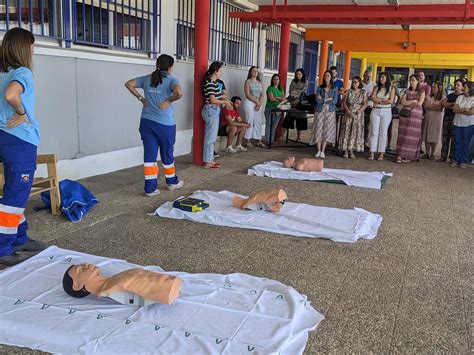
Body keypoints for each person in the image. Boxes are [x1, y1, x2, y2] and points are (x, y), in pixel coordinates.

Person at [0, 28, 47, 267]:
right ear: (23, 47)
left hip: (4, 138)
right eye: (32, 45)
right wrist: (21, 111)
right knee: (15, 194)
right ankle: (3, 247)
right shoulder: (22, 72)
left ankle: (20, 237)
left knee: (13, 191)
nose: (33, 49)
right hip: (19, 139)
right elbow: (11, 94)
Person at [125, 54, 184, 197]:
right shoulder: (171, 79)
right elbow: (179, 92)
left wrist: (141, 98)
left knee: (149, 156)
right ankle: (172, 182)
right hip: (165, 125)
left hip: (146, 122)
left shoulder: (146, 79)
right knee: (167, 154)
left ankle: (150, 189)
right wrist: (169, 101)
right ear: (170, 67)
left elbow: (128, 84)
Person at [63, 263, 182, 305]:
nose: (86, 265)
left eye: (82, 264)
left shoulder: (113, 281)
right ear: (77, 285)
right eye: (80, 270)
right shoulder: (111, 290)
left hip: (170, 283)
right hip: (167, 290)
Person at [201, 61, 232, 170]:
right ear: (215, 71)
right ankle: (207, 161)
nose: (221, 73)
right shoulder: (210, 82)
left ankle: (210, 159)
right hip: (210, 110)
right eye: (220, 71)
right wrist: (225, 102)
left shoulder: (214, 83)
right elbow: (213, 99)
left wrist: (226, 101)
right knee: (210, 138)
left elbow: (218, 97)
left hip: (214, 110)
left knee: (212, 137)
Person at [396, 74, 426, 163]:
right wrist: (413, 101)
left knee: (412, 134)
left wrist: (408, 103)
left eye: (413, 80)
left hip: (415, 116)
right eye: (410, 80)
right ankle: (400, 154)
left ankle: (409, 155)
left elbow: (420, 103)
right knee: (403, 133)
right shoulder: (407, 91)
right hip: (405, 116)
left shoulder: (422, 91)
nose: (411, 82)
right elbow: (402, 101)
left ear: (417, 81)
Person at [309, 70, 338, 158]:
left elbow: (335, 101)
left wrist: (324, 100)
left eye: (328, 75)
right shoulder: (319, 88)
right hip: (320, 110)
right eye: (325, 75)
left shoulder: (334, 89)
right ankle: (318, 150)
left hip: (330, 111)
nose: (326, 77)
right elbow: (317, 100)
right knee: (318, 129)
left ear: (331, 77)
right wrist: (327, 99)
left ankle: (323, 150)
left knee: (326, 130)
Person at [368, 72, 395, 161]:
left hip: (386, 111)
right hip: (375, 109)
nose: (381, 79)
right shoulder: (376, 87)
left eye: (383, 77)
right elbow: (372, 98)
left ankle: (381, 153)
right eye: (380, 77)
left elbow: (390, 101)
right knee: (374, 132)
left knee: (383, 132)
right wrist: (382, 101)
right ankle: (372, 152)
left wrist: (378, 100)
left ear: (387, 78)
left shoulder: (391, 88)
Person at [341, 76, 368, 159]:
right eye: (352, 82)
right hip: (348, 113)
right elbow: (344, 103)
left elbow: (365, 104)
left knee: (354, 132)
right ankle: (345, 150)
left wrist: (357, 112)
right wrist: (349, 111)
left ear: (359, 83)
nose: (354, 83)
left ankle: (351, 150)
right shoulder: (348, 91)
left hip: (358, 114)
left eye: (356, 82)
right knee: (347, 131)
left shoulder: (364, 92)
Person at [439, 79, 464, 163]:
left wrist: (451, 106)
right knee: (445, 138)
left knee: (454, 139)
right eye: (455, 84)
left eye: (458, 85)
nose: (456, 86)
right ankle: (443, 156)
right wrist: (452, 105)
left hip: (456, 119)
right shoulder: (450, 95)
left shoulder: (462, 96)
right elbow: (443, 104)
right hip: (447, 117)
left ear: (462, 87)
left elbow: (459, 107)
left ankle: (452, 157)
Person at [281, 68, 309, 142]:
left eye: (299, 74)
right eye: (297, 74)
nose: (298, 75)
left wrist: (296, 92)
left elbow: (303, 91)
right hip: (292, 103)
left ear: (302, 74)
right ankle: (281, 136)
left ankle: (298, 137)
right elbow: (291, 91)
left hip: (300, 104)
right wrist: (295, 93)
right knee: (287, 120)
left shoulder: (305, 81)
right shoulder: (293, 81)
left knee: (300, 121)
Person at [452, 81, 474, 168]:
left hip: (469, 124)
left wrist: (460, 110)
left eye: (464, 87)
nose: (463, 89)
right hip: (458, 123)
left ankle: (463, 161)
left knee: (466, 143)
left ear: (470, 89)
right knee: (457, 142)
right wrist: (464, 110)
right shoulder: (460, 97)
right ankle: (456, 159)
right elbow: (454, 109)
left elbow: (471, 112)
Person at [242, 66, 265, 147]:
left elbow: (262, 94)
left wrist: (259, 103)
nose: (256, 72)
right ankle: (247, 139)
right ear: (250, 72)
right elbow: (247, 94)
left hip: (258, 102)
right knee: (250, 120)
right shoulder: (248, 81)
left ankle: (258, 139)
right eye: (254, 71)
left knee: (258, 121)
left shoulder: (260, 82)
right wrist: (256, 102)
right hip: (250, 102)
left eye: (257, 71)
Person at [422, 82, 445, 160]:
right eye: (433, 87)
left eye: (435, 87)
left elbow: (440, 108)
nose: (433, 88)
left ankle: (433, 153)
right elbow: (426, 105)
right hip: (428, 117)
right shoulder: (428, 96)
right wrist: (435, 106)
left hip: (438, 118)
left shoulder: (443, 98)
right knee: (427, 133)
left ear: (439, 89)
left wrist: (431, 106)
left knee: (435, 134)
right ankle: (427, 153)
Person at [264, 74, 286, 145]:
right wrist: (279, 98)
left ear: (279, 81)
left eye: (277, 79)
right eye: (275, 79)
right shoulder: (270, 88)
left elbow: (283, 99)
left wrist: (276, 97)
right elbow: (271, 98)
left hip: (278, 109)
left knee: (274, 125)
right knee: (268, 124)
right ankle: (267, 141)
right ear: (272, 80)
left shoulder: (281, 89)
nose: (276, 81)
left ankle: (271, 140)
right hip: (270, 108)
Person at [362, 70, 376, 146]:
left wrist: (367, 97)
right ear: (363, 75)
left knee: (367, 125)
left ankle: (365, 140)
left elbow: (374, 97)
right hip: (360, 107)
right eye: (367, 76)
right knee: (359, 124)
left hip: (369, 107)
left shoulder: (374, 85)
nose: (368, 78)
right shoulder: (360, 83)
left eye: (370, 76)